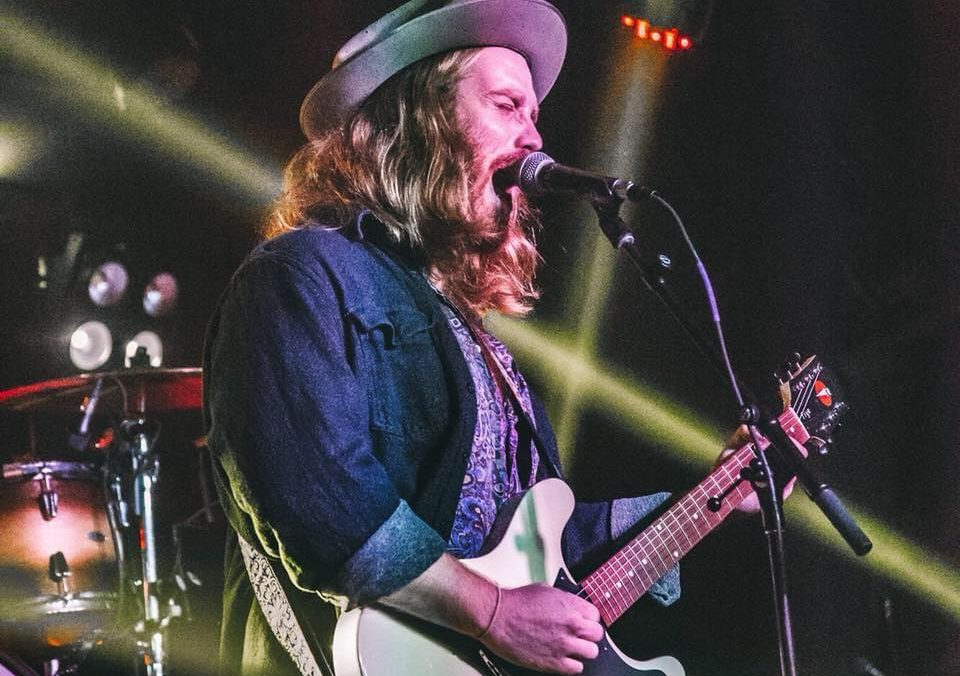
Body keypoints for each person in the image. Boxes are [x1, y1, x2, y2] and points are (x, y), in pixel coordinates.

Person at [205, 1, 720, 674]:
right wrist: (496, 615)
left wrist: (720, 493)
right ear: (417, 123)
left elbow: (532, 542)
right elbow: (326, 510)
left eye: (534, 115)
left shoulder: (476, 338)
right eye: (507, 106)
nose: (535, 139)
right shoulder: (300, 276)